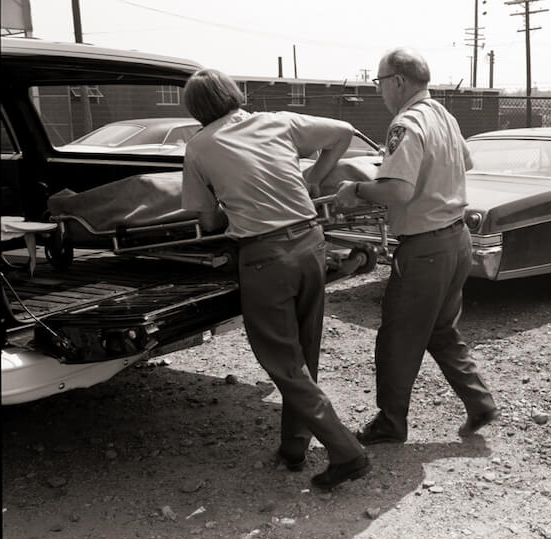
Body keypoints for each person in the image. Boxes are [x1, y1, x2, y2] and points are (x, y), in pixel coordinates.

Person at [180, 68, 371, 491]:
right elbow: (344, 131)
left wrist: (227, 202)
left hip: (267, 256)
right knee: (304, 352)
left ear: (196, 110)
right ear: (233, 94)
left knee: (283, 362)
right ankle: (294, 448)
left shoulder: (199, 147)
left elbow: (207, 219)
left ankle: (346, 452)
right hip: (311, 242)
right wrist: (314, 177)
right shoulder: (277, 121)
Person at [334, 47, 499, 444]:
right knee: (440, 330)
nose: (379, 91)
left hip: (425, 248)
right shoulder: (442, 114)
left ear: (399, 81)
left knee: (397, 335)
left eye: (379, 82)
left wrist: (355, 189)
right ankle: (480, 402)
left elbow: (399, 192)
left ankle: (391, 422)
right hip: (456, 239)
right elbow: (466, 163)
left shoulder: (405, 124)